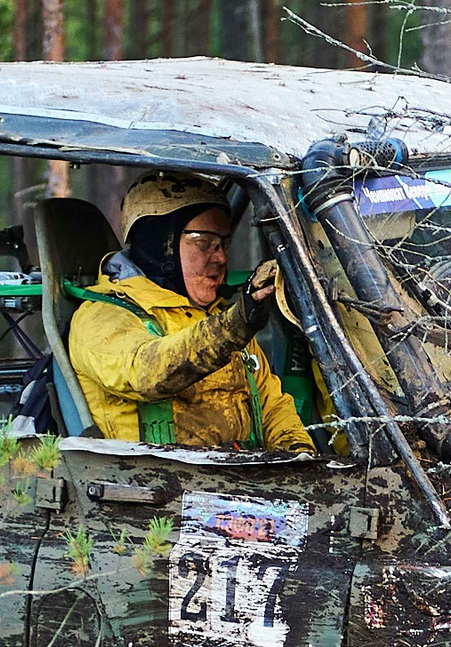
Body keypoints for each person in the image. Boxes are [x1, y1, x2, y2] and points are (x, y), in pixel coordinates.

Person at [68, 172, 314, 453]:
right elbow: (146, 373)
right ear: (161, 242)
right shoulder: (101, 317)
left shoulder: (218, 317)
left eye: (224, 243)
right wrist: (236, 323)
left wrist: (298, 457)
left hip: (240, 482)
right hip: (156, 489)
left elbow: (274, 406)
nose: (220, 257)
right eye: (204, 242)